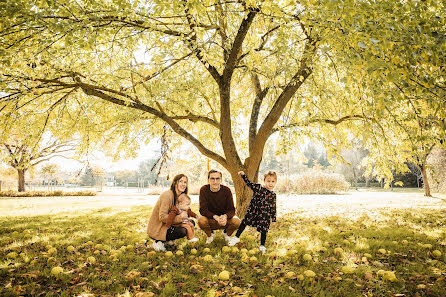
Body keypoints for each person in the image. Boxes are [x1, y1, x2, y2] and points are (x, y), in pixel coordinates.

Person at [228, 170, 277, 254]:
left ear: (275, 182)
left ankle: (262, 245)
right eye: (268, 181)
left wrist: (274, 218)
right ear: (264, 180)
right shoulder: (258, 187)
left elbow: (273, 207)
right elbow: (249, 184)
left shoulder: (273, 195)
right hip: (253, 211)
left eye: (273, 181)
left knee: (264, 230)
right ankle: (236, 237)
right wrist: (243, 175)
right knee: (244, 222)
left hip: (264, 215)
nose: (270, 183)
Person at [146, 174, 191, 251]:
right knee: (183, 231)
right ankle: (158, 241)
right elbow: (162, 217)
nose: (183, 184)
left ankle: (167, 241)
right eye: (181, 181)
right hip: (159, 228)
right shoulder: (167, 195)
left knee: (191, 223)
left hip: (169, 225)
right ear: (175, 183)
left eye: (185, 182)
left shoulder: (181, 197)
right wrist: (180, 217)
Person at [198, 169, 241, 244]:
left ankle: (226, 234)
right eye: (212, 178)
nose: (215, 181)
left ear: (221, 180)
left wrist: (225, 216)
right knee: (201, 220)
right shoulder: (204, 190)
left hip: (224, 220)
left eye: (217, 179)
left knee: (237, 221)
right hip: (211, 219)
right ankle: (210, 235)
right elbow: (203, 209)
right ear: (208, 180)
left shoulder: (226, 190)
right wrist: (215, 217)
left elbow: (232, 210)